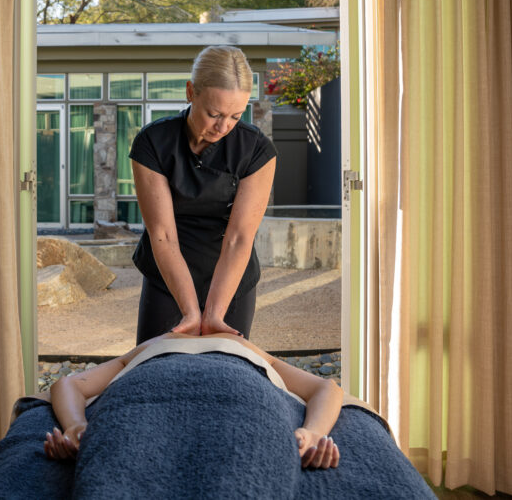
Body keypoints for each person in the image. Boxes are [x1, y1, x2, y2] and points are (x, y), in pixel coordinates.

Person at [129, 45, 277, 343]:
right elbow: (163, 235)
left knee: (227, 363)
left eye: (235, 116)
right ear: (190, 92)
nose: (223, 127)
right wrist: (190, 312)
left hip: (230, 276)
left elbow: (239, 238)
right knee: (155, 361)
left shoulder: (256, 150)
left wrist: (213, 314)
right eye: (214, 114)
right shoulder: (153, 142)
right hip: (167, 275)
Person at [42, 332, 343, 469]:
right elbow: (67, 386)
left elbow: (327, 389)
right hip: (150, 387)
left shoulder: (239, 344)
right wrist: (75, 427)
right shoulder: (158, 343)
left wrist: (314, 433)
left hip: (239, 390)